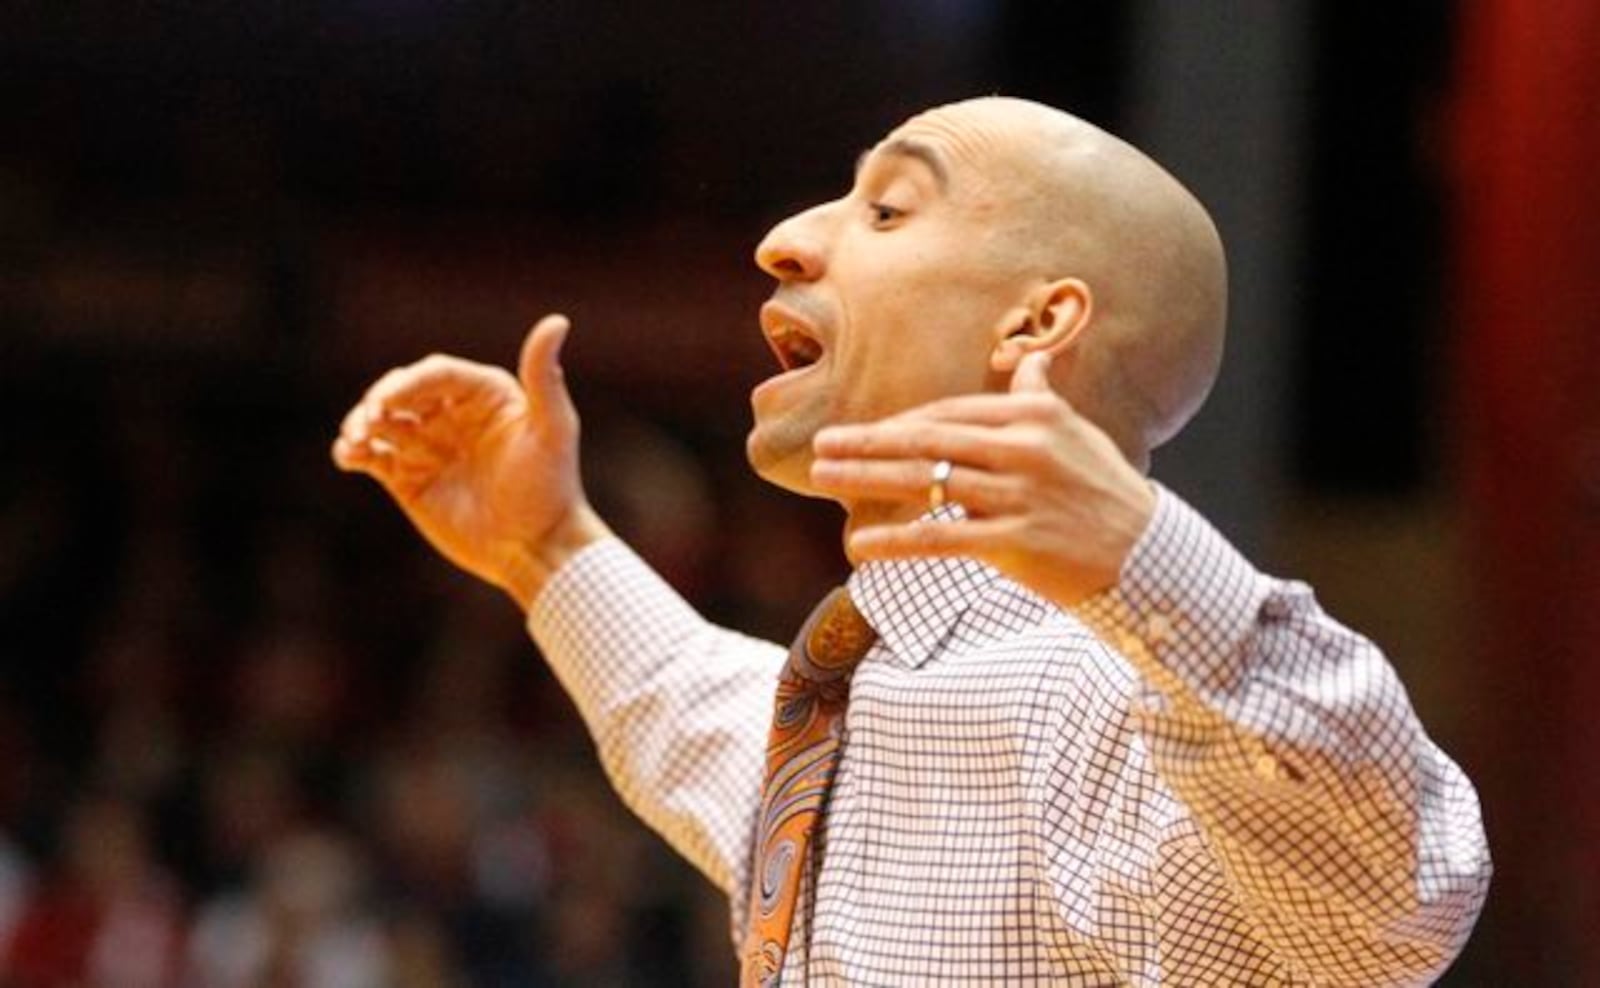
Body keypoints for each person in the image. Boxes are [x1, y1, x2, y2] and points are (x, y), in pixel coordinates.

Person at [333, 97, 1490, 985]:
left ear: (1036, 323)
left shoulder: (1114, 710)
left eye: (886, 209)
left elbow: (1392, 903)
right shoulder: (851, 688)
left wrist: (1143, 562)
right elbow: (689, 708)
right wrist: (547, 546)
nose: (783, 240)